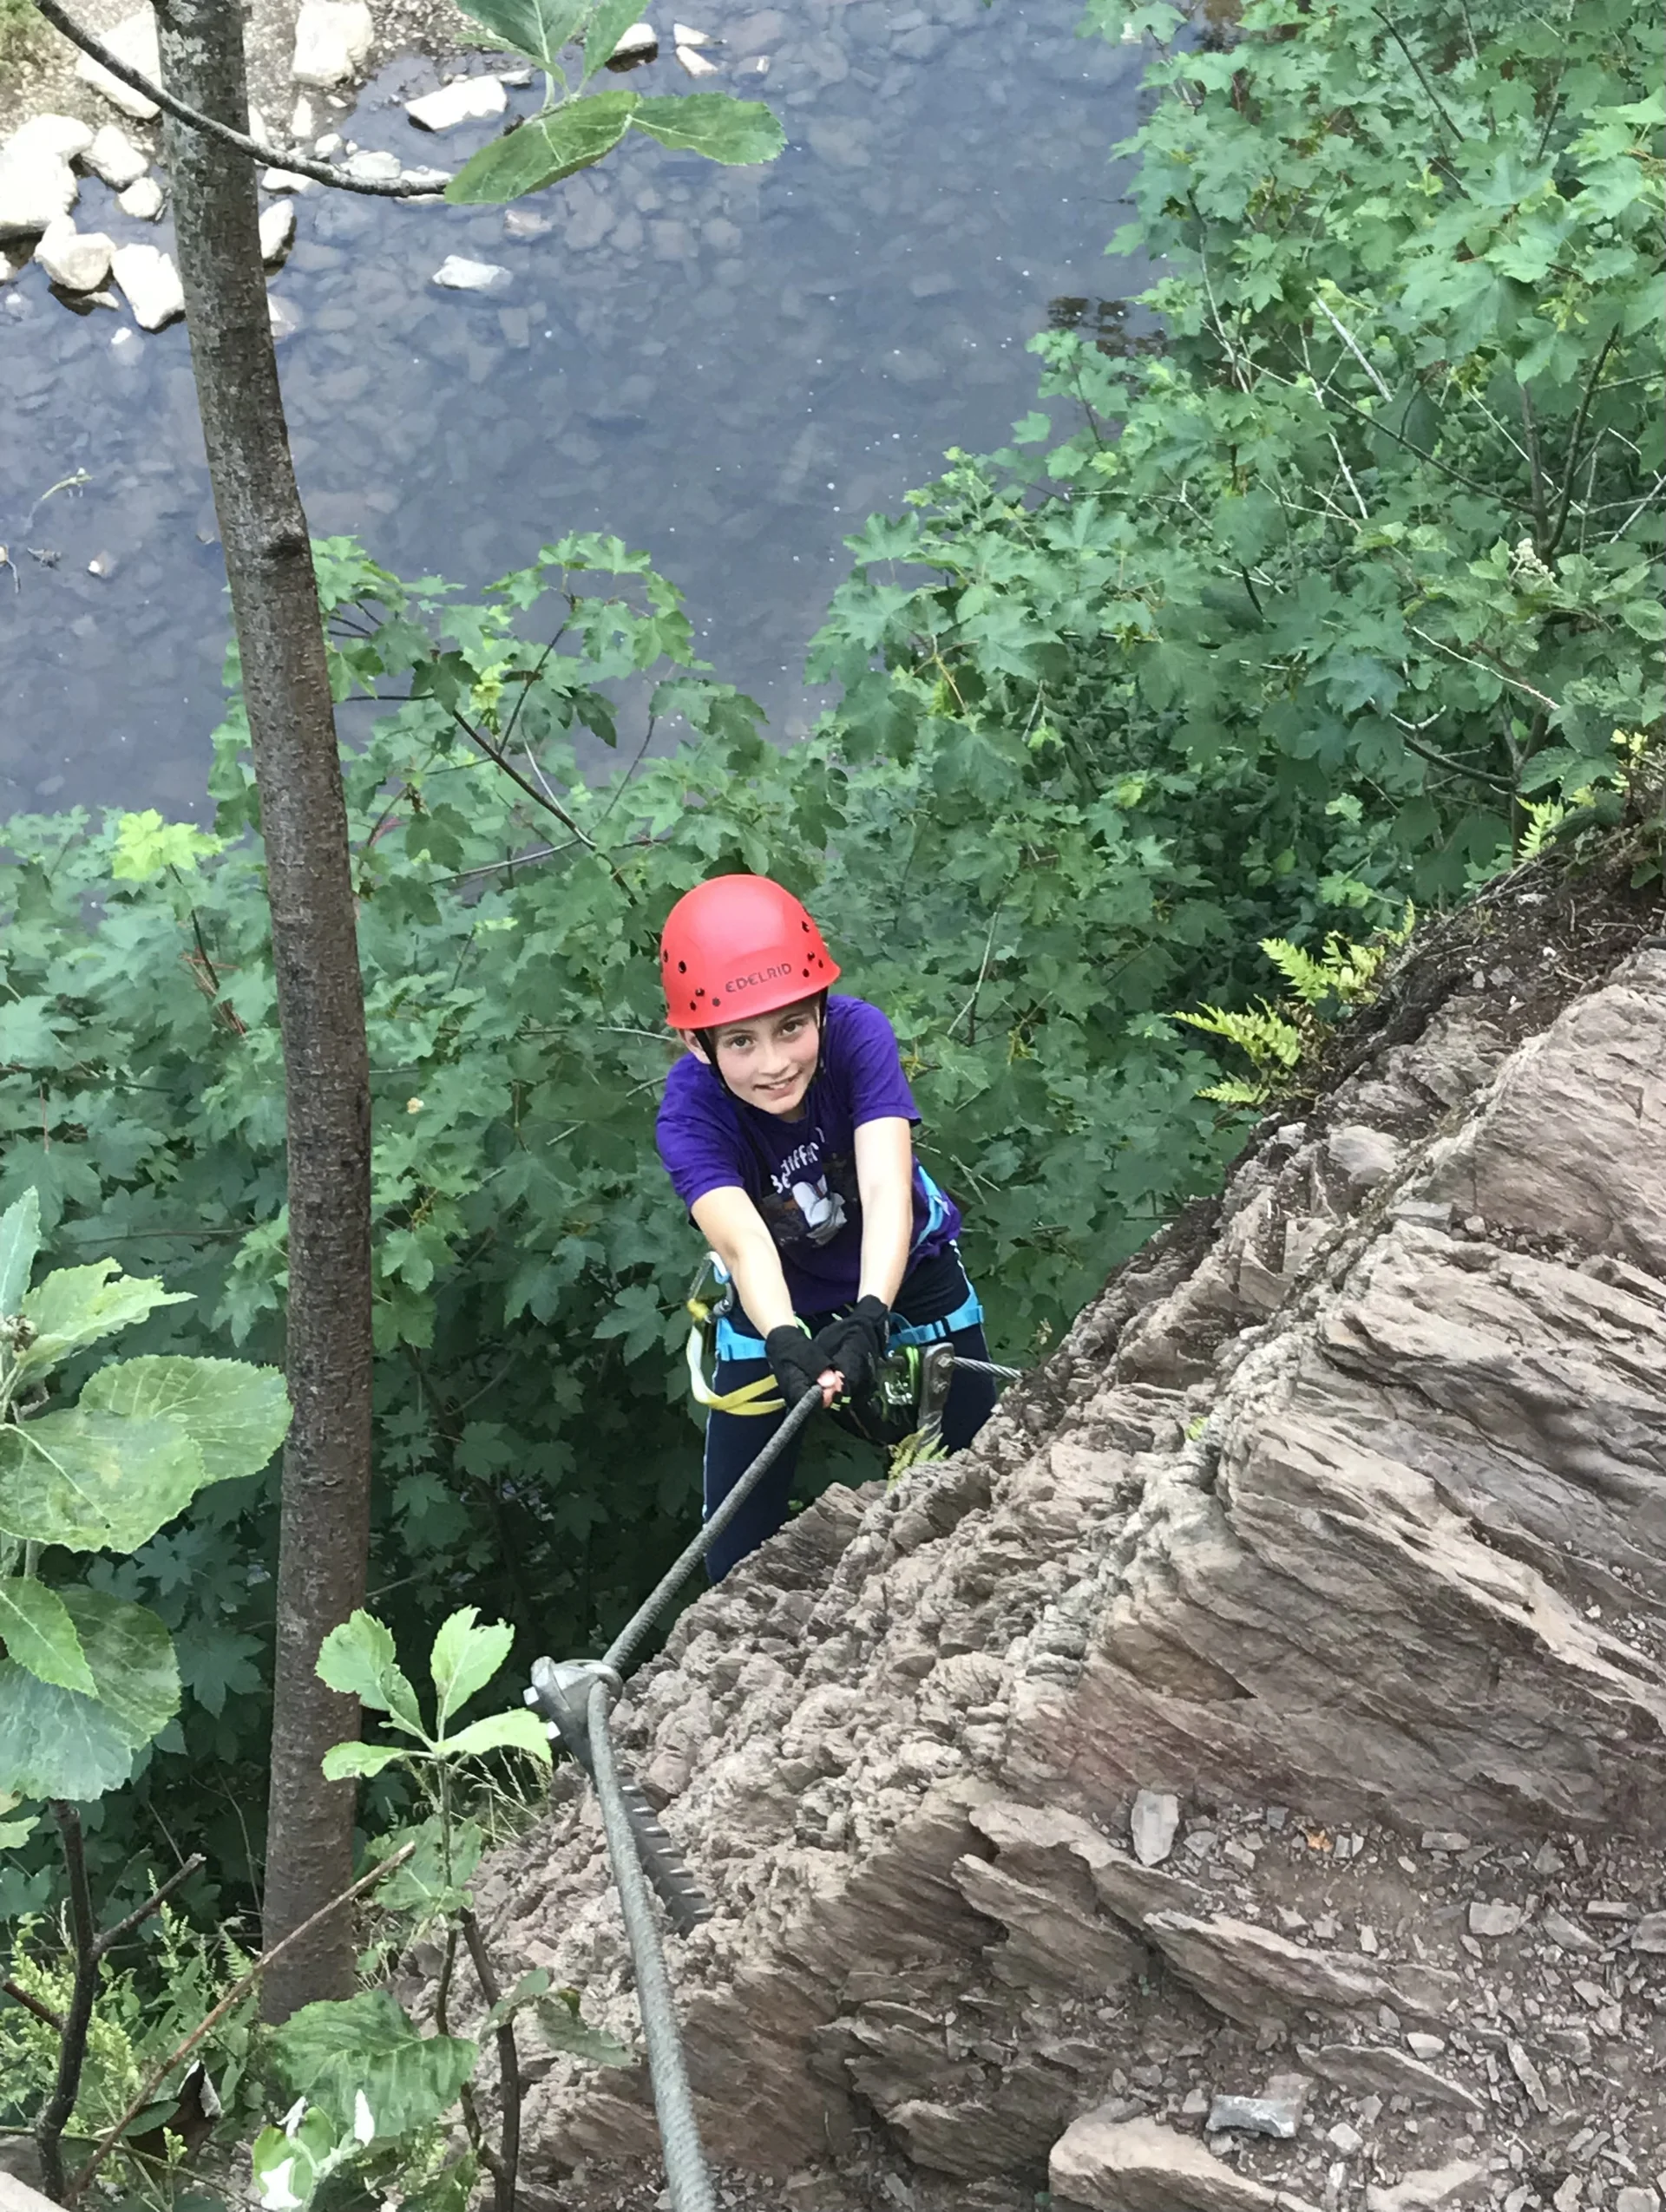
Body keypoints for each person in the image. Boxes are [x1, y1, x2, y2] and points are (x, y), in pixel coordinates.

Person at [654, 873, 997, 1580]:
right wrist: (783, 1335)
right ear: (696, 1043)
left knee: (987, 1474)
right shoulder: (690, 1115)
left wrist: (872, 1312)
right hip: (774, 1298)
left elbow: (885, 1185)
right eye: (740, 1041)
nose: (775, 1064)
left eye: (791, 1026)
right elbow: (743, 1242)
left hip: (910, 1273)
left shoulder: (856, 1036)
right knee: (732, 1551)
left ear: (820, 1007)